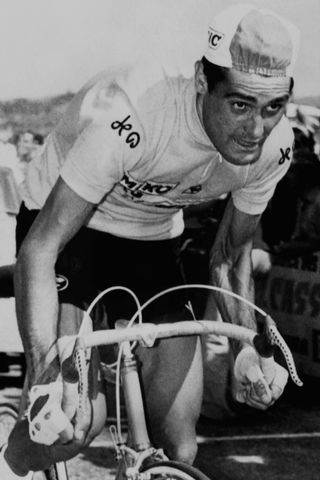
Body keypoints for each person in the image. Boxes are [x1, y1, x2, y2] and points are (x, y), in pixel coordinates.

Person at [0, 4, 300, 478]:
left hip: (151, 237)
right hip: (69, 230)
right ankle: (10, 457)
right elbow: (40, 248)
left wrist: (248, 347)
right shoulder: (136, 111)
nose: (255, 130)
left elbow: (228, 255)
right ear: (203, 81)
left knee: (180, 445)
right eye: (240, 105)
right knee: (76, 423)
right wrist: (43, 377)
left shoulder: (275, 147)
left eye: (272, 107)